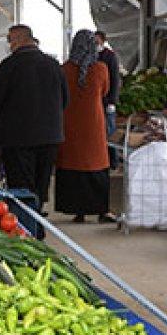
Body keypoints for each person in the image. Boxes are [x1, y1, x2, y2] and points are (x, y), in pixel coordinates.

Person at [0, 25, 67, 209]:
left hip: (20, 139)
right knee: (40, 186)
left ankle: (28, 227)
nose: (8, 44)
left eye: (9, 39)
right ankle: (37, 222)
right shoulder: (53, 65)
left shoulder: (10, 65)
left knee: (21, 189)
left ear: (18, 39)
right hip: (50, 137)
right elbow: (65, 99)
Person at [55, 30, 113, 223]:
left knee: (73, 163)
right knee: (96, 164)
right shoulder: (101, 69)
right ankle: (100, 210)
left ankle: (78, 211)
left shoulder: (64, 70)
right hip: (93, 125)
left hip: (69, 123)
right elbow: (105, 92)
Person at [94, 31, 122, 162]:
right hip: (96, 100)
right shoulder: (91, 55)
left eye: (97, 42)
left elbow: (115, 79)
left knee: (110, 130)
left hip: (107, 99)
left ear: (103, 41)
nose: (95, 44)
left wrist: (112, 101)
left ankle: (113, 160)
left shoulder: (110, 56)